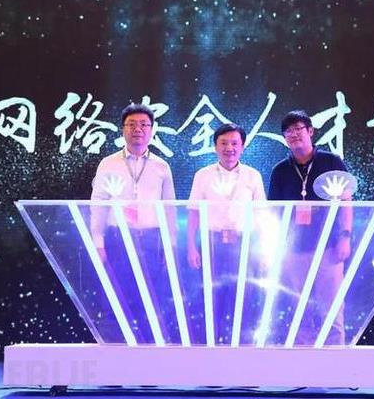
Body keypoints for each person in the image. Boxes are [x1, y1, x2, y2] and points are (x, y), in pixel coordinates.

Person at [90, 102, 176, 343]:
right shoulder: (108, 163)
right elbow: (98, 204)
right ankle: (114, 355)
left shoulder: (161, 166)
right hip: (118, 238)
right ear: (123, 129)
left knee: (152, 299)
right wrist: (98, 241)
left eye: (144, 125)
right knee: (115, 297)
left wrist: (170, 244)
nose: (138, 129)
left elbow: (169, 208)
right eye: (132, 124)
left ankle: (148, 355)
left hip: (150, 239)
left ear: (152, 130)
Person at [268, 109, 353, 346]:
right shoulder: (280, 171)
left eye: (299, 129)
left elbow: (346, 201)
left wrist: (345, 236)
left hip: (329, 248)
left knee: (331, 308)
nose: (294, 134)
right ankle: (303, 361)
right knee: (299, 310)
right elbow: (273, 212)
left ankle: (336, 360)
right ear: (284, 137)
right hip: (294, 250)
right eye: (289, 131)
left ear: (310, 131)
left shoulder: (331, 162)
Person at [187, 123, 266, 344]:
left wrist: (263, 251)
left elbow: (261, 215)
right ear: (215, 146)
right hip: (211, 243)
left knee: (244, 297)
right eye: (223, 143)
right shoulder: (202, 175)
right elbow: (193, 213)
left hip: (245, 244)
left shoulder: (253, 176)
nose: (229, 148)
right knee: (211, 297)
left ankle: (243, 350)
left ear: (242, 146)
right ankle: (211, 350)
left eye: (234, 143)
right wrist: (191, 246)